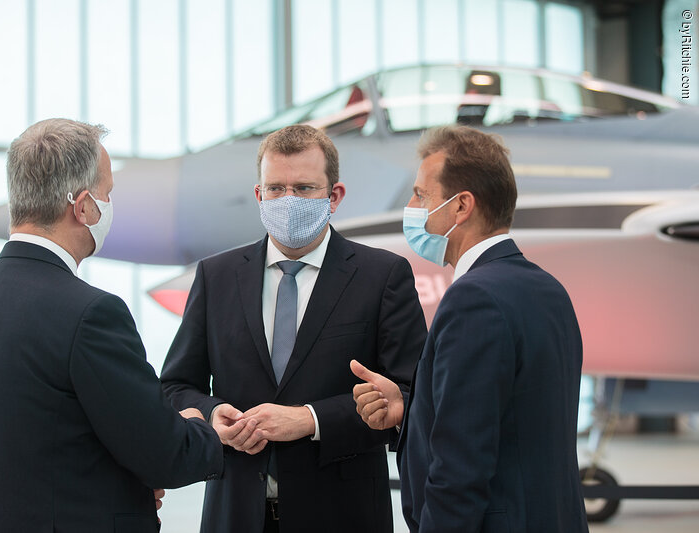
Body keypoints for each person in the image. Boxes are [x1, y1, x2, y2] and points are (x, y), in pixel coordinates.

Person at [0, 118, 223, 533]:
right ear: (83, 206)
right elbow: (166, 455)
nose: (109, 204)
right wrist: (198, 425)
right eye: (108, 193)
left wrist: (123, 489)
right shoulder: (91, 314)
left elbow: (26, 457)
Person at [160, 125, 427, 532]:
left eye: (303, 188)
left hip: (342, 516)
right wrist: (212, 416)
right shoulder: (217, 276)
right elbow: (175, 385)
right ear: (258, 194)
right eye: (275, 189)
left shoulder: (382, 275)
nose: (288, 200)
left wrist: (311, 419)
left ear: (334, 196)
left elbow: (412, 395)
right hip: (236, 515)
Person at [352, 125, 589, 532]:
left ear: (461, 206)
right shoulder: (549, 289)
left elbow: (460, 467)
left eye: (421, 195)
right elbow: (510, 418)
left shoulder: (473, 299)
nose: (411, 206)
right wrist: (410, 410)